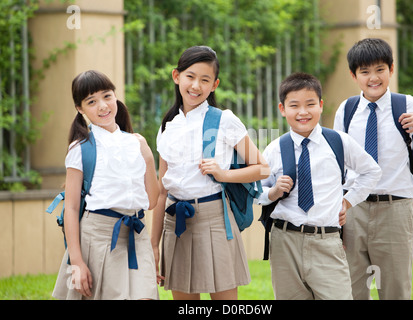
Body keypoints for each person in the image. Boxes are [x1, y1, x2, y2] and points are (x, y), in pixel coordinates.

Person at [333, 38, 413, 300]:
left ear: (391, 69)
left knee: (395, 289)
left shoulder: (407, 105)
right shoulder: (347, 110)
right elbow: (336, 163)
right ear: (354, 75)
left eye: (380, 70)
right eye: (364, 72)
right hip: (354, 208)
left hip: (395, 210)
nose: (373, 78)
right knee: (352, 289)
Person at [151, 46, 269, 300]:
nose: (196, 86)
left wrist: (223, 174)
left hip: (214, 219)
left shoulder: (224, 120)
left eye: (205, 80)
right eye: (190, 77)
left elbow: (262, 168)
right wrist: (153, 243)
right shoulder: (167, 127)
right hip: (175, 223)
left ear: (214, 85)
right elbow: (162, 192)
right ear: (176, 76)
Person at [258, 72, 381, 300]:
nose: (303, 112)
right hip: (285, 241)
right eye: (294, 105)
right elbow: (256, 191)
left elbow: (372, 171)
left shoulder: (338, 142)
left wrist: (347, 201)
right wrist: (273, 192)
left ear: (321, 105)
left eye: (310, 104)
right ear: (282, 109)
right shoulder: (274, 149)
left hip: (327, 241)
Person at [52, 70, 160, 300]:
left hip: (136, 234)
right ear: (80, 109)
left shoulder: (136, 143)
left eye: (107, 96)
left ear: (115, 97)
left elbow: (152, 201)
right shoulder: (80, 148)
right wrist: (77, 262)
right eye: (92, 101)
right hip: (98, 238)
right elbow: (70, 208)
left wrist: (148, 157)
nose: (103, 106)